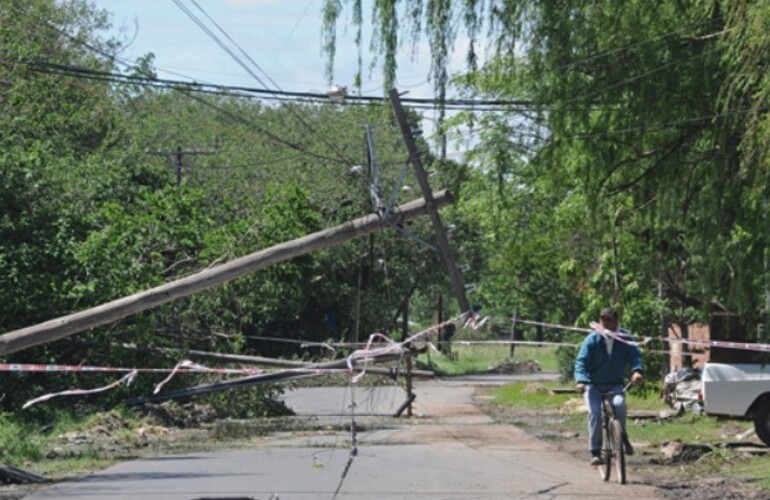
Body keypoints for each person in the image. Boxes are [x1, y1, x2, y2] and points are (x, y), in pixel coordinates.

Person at [574, 307, 644, 466]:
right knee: (595, 414)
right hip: (593, 386)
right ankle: (595, 451)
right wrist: (581, 380)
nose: (605, 323)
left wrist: (637, 371)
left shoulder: (625, 337)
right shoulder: (592, 339)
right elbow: (581, 362)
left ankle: (622, 438)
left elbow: (636, 356)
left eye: (609, 320)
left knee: (620, 406)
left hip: (615, 384)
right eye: (603, 319)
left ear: (616, 321)